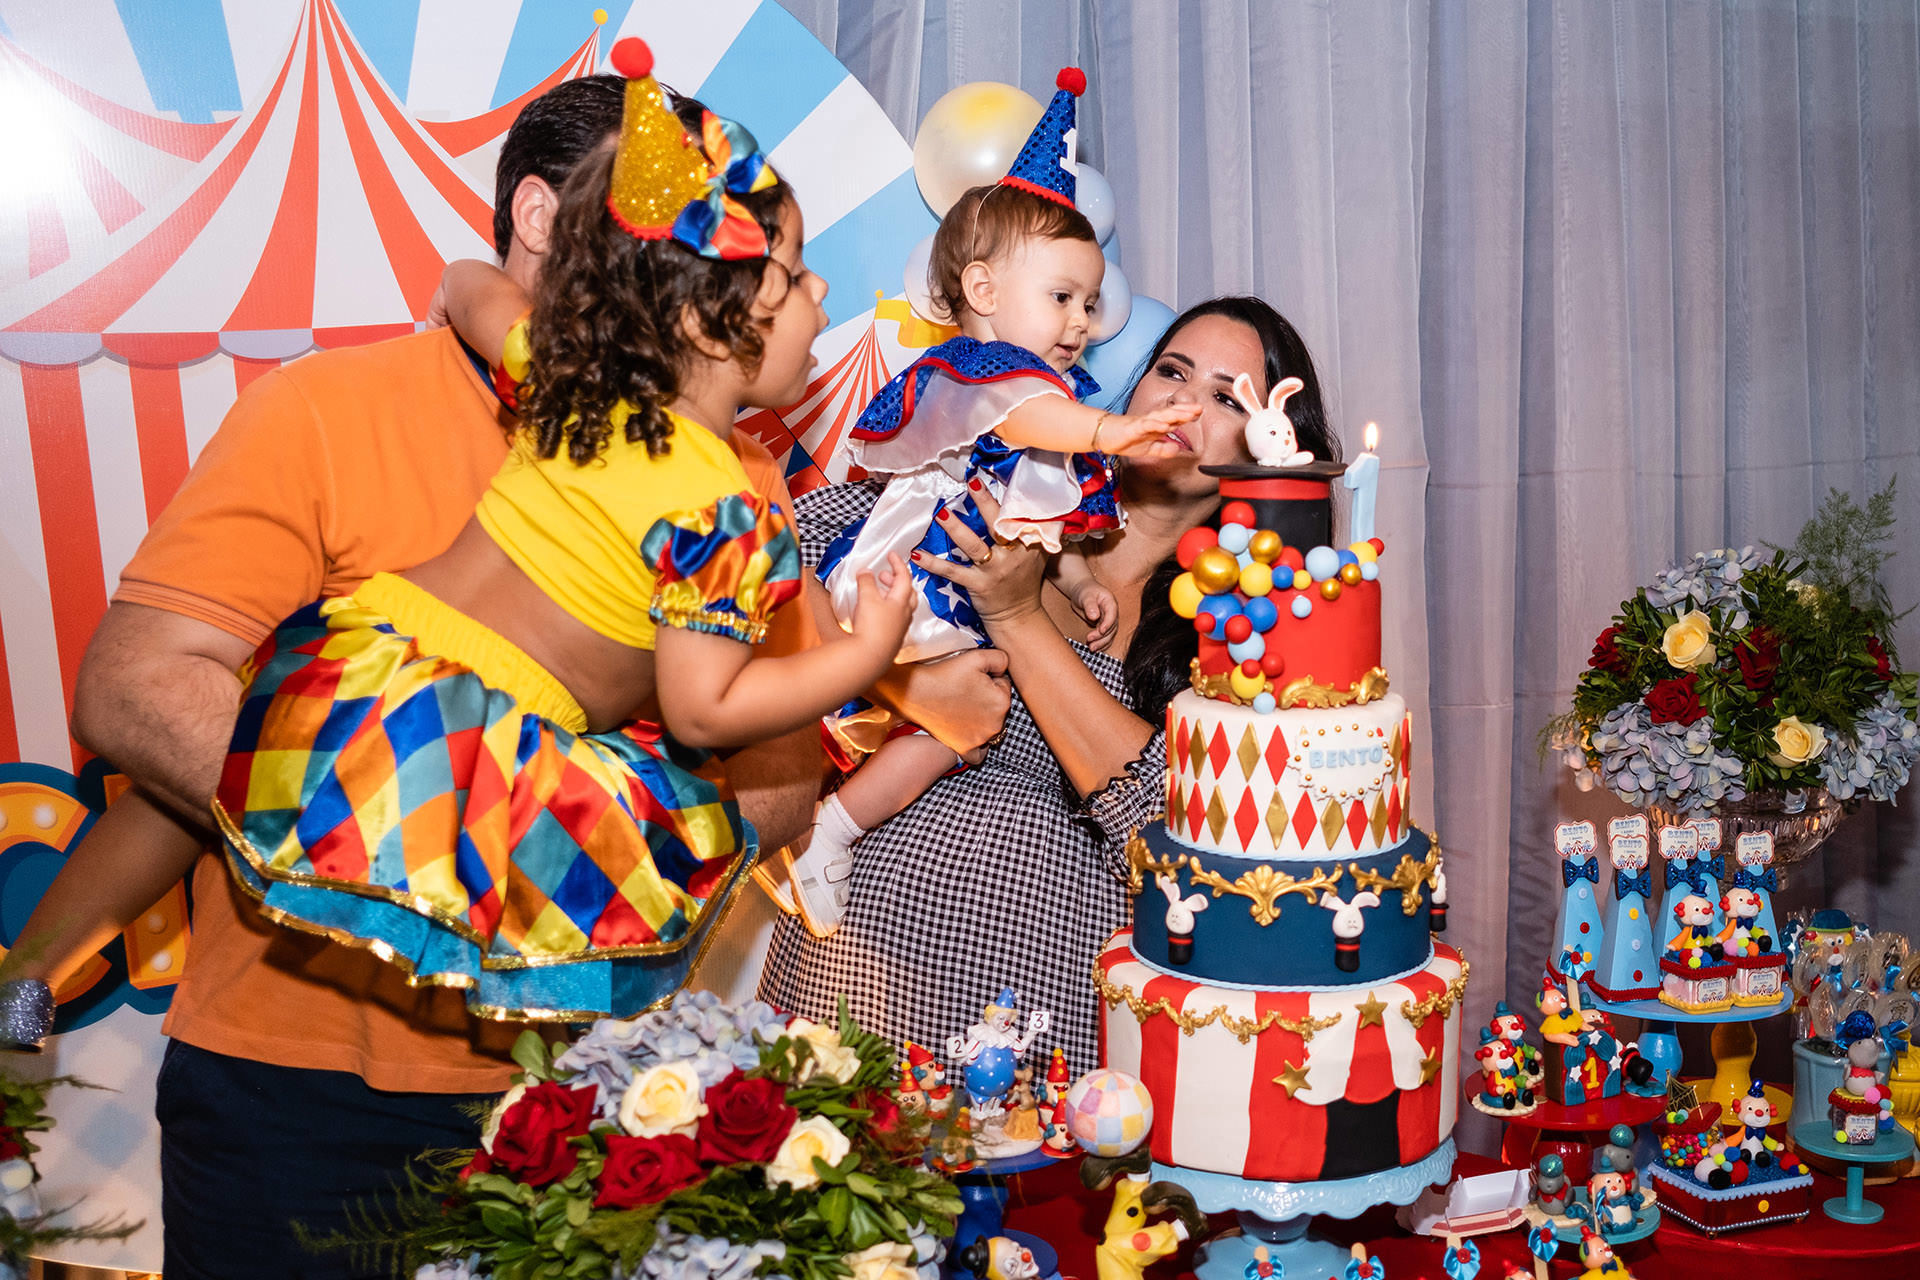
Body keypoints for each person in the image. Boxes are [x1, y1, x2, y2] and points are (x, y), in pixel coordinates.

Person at [1, 71, 830, 1279]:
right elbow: (133, 692)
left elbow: (777, 788)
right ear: (547, 221)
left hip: (578, 1100)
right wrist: (392, 826)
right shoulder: (331, 409)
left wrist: (560, 833)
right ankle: (28, 964)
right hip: (293, 1098)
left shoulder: (733, 485)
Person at [759, 296, 1341, 1072]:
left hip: (1041, 1021)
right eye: (1172, 372)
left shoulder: (1250, 629)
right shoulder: (999, 477)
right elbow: (761, 570)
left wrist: (1017, 614)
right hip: (850, 974)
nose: (1182, 402)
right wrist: (908, 691)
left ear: (1271, 446)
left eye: (1228, 397)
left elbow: (1174, 836)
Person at [784, 68, 1197, 936]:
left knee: (954, 729)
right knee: (942, 722)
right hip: (919, 567)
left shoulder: (1226, 613)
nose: (1082, 321)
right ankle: (834, 827)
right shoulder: (988, 373)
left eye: (1089, 302)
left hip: (1045, 949)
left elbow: (1048, 513)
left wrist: (1079, 581)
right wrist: (1110, 434)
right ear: (981, 295)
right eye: (1061, 299)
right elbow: (1039, 421)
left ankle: (834, 824)